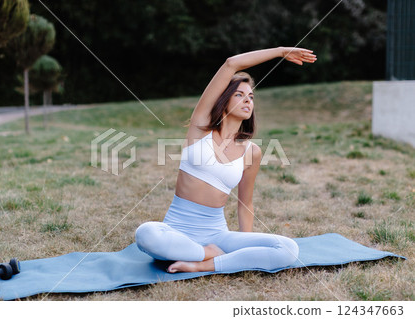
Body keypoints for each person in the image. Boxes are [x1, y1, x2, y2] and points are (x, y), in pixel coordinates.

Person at [135, 47, 317, 273]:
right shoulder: (200, 128)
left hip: (217, 233)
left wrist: (246, 246)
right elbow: (231, 64)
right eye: (239, 95)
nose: (247, 100)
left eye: (251, 96)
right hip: (177, 230)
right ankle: (207, 253)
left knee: (288, 248)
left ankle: (206, 264)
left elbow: (245, 203)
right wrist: (280, 52)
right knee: (145, 233)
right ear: (224, 100)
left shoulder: (252, 152)